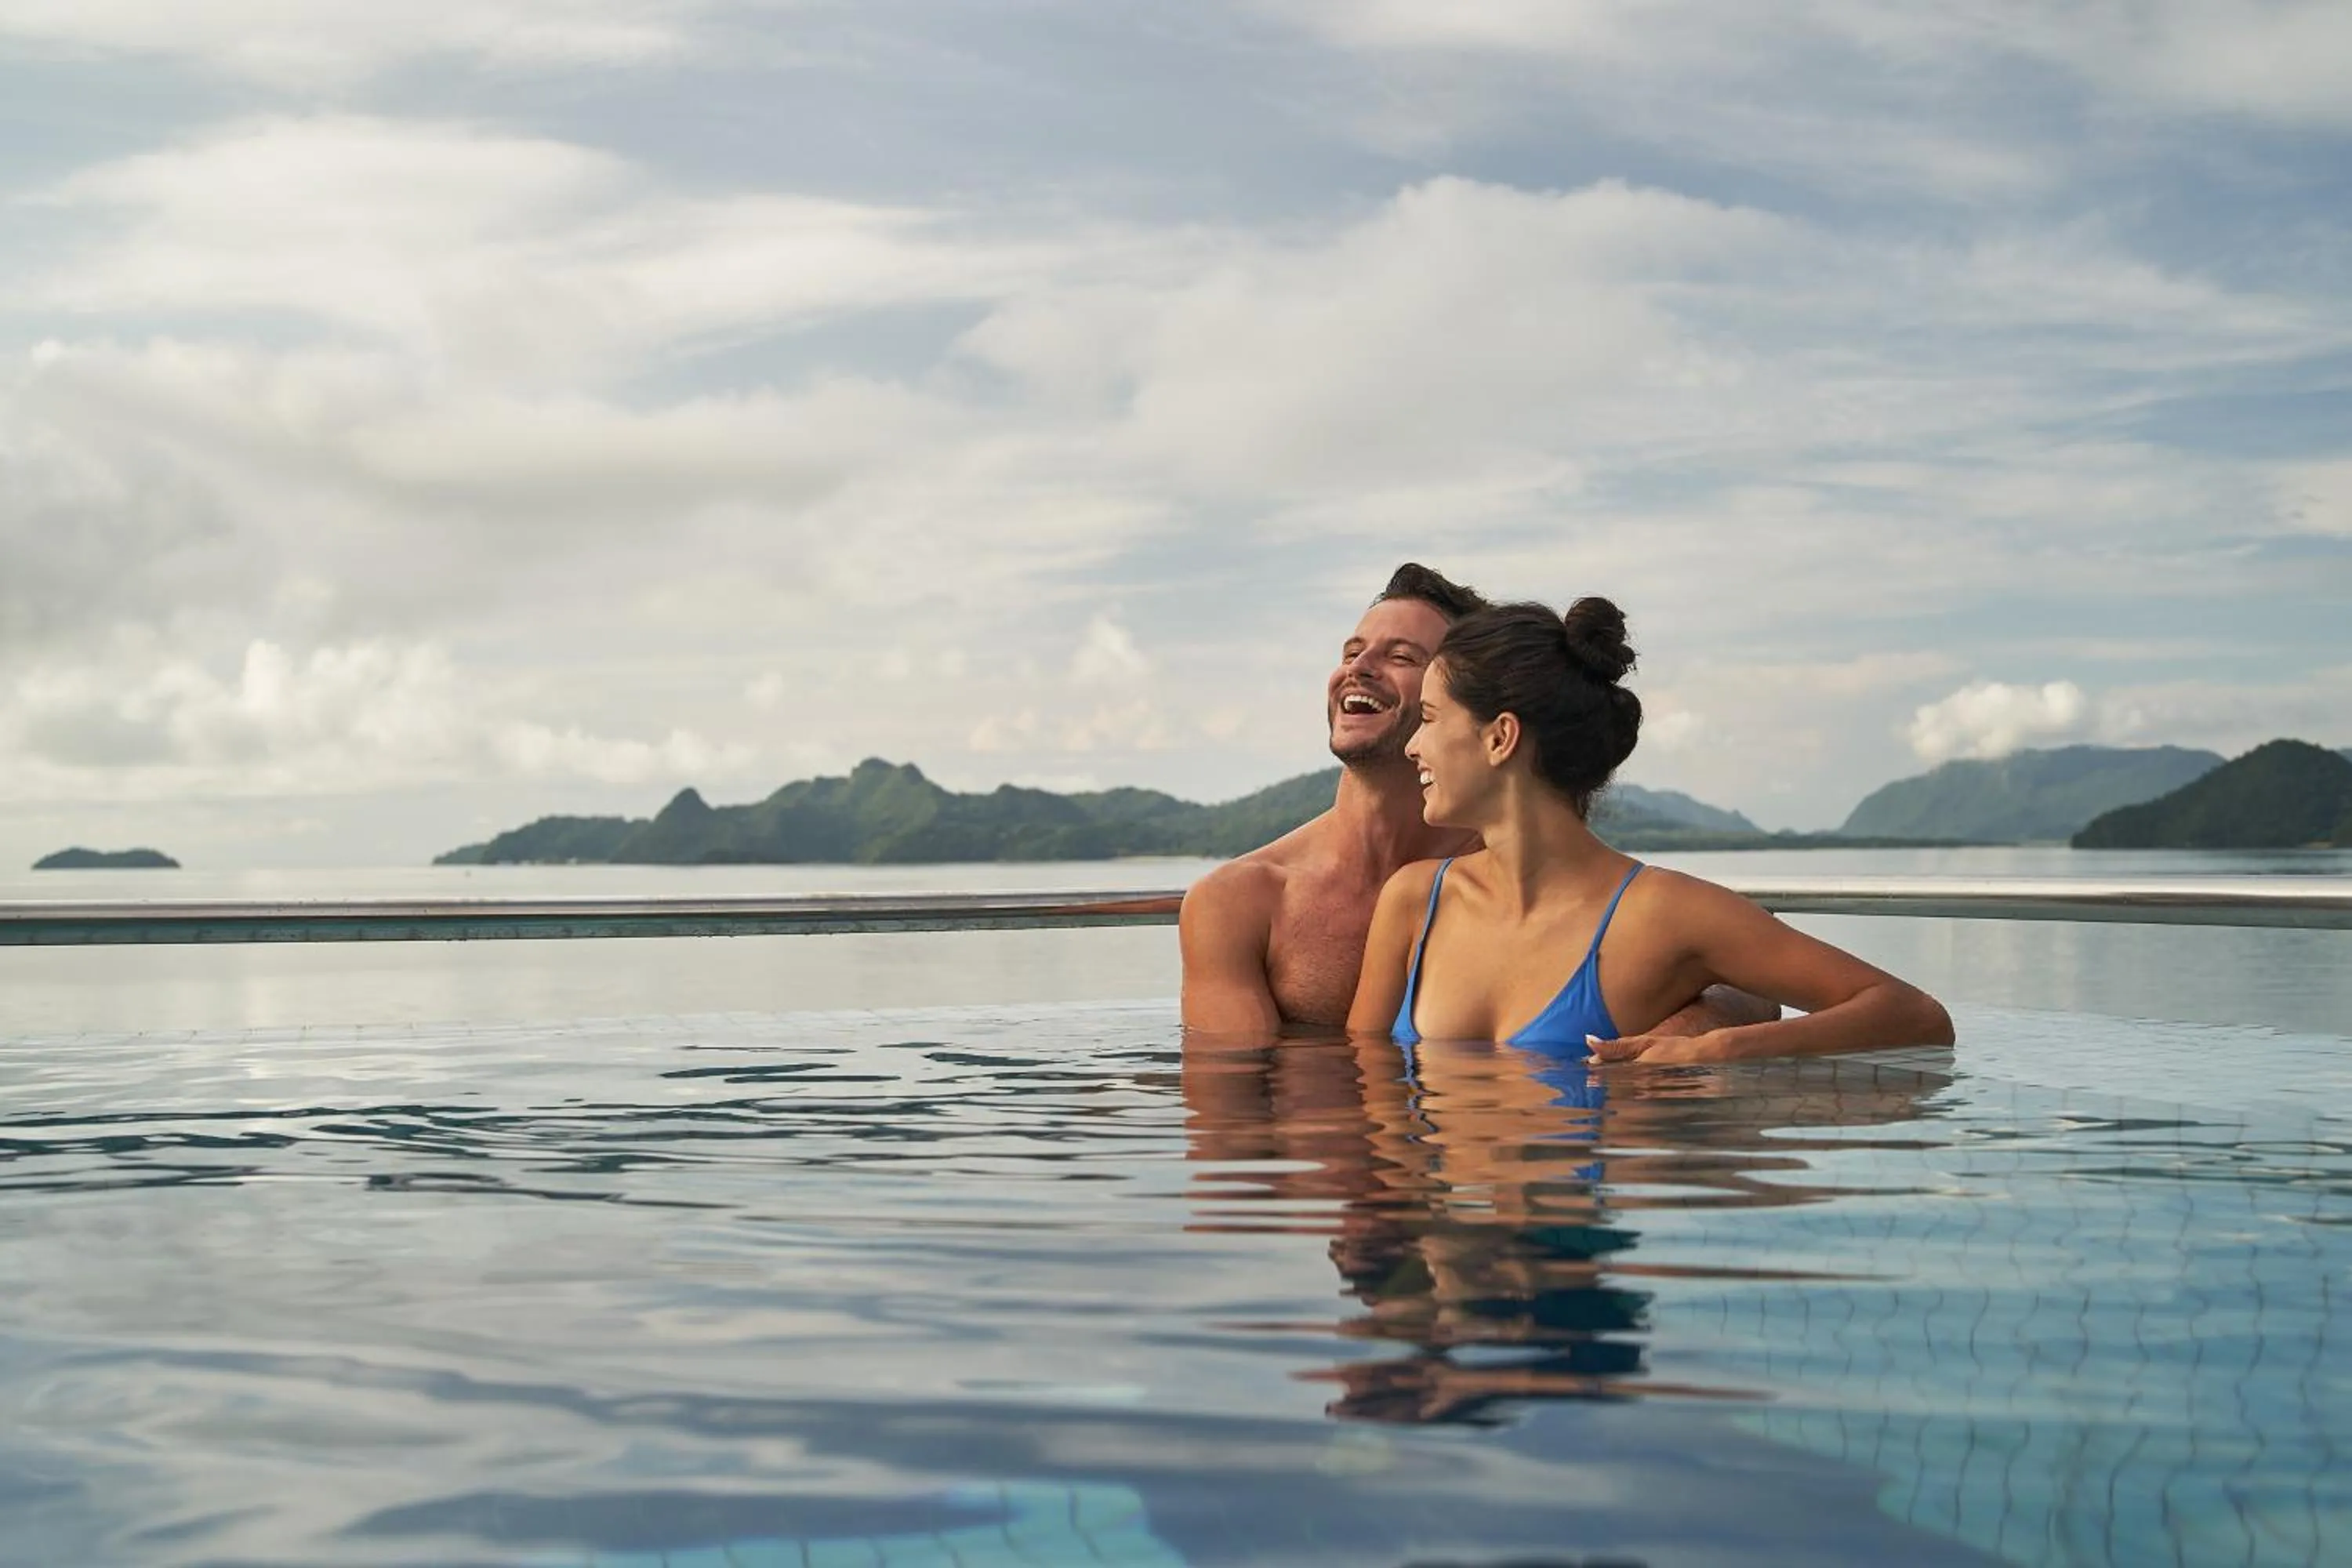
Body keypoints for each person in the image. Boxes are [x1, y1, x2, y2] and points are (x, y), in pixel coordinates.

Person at [1346, 597, 1953, 1063]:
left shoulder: (1663, 913)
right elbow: (1367, 1080)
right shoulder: (1414, 901)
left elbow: (1916, 1017)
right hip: (1438, 1223)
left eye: (1428, 718)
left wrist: (1722, 1049)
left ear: (1500, 737)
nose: (1414, 747)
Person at [1181, 564, 1773, 1038]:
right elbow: (1234, 1126)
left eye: (1402, 656)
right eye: (1351, 650)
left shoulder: (1515, 866)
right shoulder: (1241, 901)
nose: (1357, 669)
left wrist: (1699, 1024)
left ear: (1478, 706)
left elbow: (1733, 968)